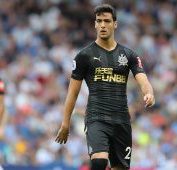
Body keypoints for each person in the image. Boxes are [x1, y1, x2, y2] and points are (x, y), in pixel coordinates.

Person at [55, 4, 155, 170]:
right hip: (96, 118)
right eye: (99, 21)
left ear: (114, 24)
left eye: (107, 21)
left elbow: (143, 79)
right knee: (99, 162)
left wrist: (149, 93)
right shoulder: (84, 56)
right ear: (94, 24)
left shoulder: (128, 55)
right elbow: (72, 93)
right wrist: (65, 123)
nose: (102, 25)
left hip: (121, 120)